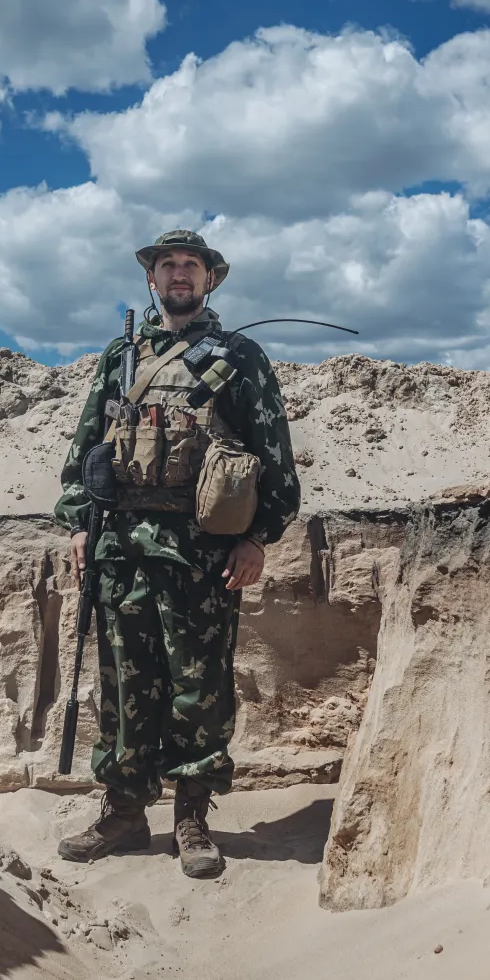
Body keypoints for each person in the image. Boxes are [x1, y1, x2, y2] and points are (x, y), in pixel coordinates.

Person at [52, 230, 300, 878]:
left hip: (202, 552)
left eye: (191, 265)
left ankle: (191, 817)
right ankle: (125, 811)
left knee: (198, 688)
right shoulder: (121, 355)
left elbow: (273, 457)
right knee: (125, 685)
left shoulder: (239, 358)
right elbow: (85, 450)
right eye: (168, 265)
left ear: (209, 278)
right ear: (153, 279)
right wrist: (81, 526)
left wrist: (257, 538)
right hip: (122, 546)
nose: (180, 274)